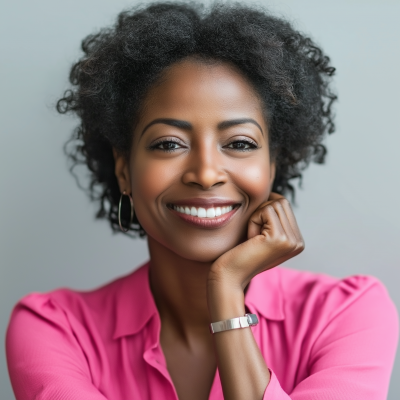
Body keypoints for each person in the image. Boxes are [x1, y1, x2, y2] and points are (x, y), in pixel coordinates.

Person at [6, 2, 398, 400]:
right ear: (124, 169)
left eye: (240, 143)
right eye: (169, 143)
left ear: (273, 165)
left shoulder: (347, 315)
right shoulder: (55, 329)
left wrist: (227, 293)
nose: (207, 172)